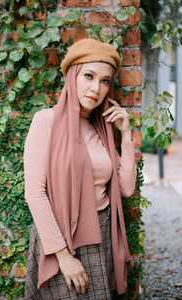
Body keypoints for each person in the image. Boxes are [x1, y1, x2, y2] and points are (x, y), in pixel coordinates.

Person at [24, 38, 137, 299]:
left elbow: (126, 189)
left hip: (102, 234)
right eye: (89, 76)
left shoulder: (102, 129)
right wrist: (63, 256)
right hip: (61, 238)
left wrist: (126, 135)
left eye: (105, 81)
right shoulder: (46, 122)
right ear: (73, 75)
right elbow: (35, 193)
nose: (96, 88)